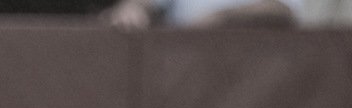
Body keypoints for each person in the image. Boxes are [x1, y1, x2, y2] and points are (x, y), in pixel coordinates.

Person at [103, 0, 297, 26]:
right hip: (184, 73)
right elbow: (143, 4)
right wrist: (131, 9)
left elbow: (286, 11)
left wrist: (222, 18)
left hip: (261, 75)